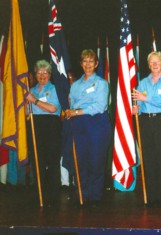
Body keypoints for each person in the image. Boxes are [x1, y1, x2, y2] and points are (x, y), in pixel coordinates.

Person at [65, 49, 112, 207]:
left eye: (91, 61)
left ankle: (94, 196)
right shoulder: (75, 85)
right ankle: (82, 194)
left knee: (96, 160)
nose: (88, 64)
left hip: (97, 123)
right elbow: (71, 104)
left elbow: (100, 105)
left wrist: (76, 111)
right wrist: (70, 112)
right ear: (81, 64)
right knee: (80, 160)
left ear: (96, 64)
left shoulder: (102, 83)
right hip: (78, 124)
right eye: (85, 61)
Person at [132, 51, 161, 208]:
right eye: (151, 62)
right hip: (146, 122)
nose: (154, 65)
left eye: (157, 62)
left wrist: (146, 99)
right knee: (148, 160)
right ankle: (151, 197)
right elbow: (141, 102)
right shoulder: (143, 83)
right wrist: (137, 107)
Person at [25, 59, 62, 207]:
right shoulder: (31, 90)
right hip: (35, 126)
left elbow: (53, 108)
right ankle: (39, 193)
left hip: (51, 126)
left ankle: (53, 197)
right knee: (37, 162)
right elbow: (28, 111)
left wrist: (34, 101)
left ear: (50, 74)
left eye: (45, 72)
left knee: (51, 162)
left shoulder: (55, 89)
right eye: (39, 72)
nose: (42, 75)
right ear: (35, 74)